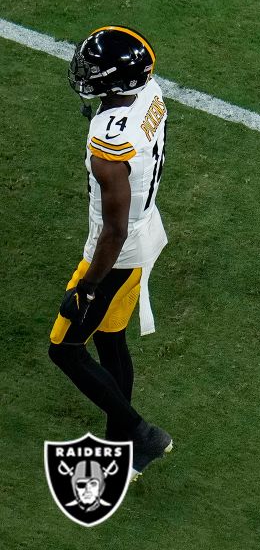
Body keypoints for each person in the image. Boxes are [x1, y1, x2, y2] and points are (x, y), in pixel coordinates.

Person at [50, 26, 173, 479]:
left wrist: (87, 284)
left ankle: (142, 434)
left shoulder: (108, 144)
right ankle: (125, 445)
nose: (88, 75)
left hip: (115, 253)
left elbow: (114, 229)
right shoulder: (151, 93)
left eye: (96, 71)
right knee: (109, 336)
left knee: (64, 348)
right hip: (146, 231)